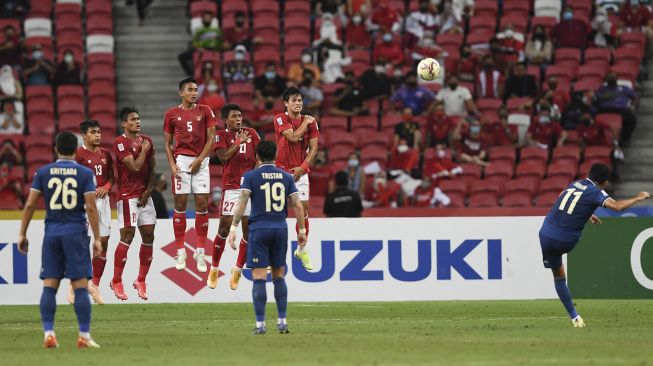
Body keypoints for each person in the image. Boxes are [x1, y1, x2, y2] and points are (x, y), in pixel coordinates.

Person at [538, 163, 650, 327]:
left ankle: (575, 317)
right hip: (566, 240)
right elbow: (616, 207)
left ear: (588, 174)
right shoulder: (595, 192)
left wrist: (588, 213)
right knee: (566, 249)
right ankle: (575, 318)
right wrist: (637, 198)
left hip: (545, 234)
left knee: (559, 277)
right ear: (604, 182)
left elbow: (563, 195)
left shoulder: (575, 183)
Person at [18, 131, 102, 348]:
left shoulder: (43, 172)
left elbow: (29, 205)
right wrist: (98, 238)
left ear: (56, 149)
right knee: (81, 287)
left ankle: (49, 333)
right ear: (76, 149)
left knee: (50, 286)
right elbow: (91, 207)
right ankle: (84, 335)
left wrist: (22, 233)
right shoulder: (84, 174)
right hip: (75, 234)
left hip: (52, 233)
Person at [227, 140, 307, 335]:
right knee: (279, 275)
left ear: (257, 156)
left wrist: (233, 227)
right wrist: (302, 231)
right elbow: (297, 205)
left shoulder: (250, 176)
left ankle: (260, 325)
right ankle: (282, 321)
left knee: (259, 277)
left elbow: (242, 202)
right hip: (280, 228)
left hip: (259, 230)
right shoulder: (286, 177)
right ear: (277, 154)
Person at [164, 77, 217, 273]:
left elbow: (212, 138)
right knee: (180, 204)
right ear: (181, 92)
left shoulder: (205, 110)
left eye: (196, 89)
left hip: (201, 161)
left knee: (202, 204)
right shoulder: (171, 114)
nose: (194, 92)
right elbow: (168, 143)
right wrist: (171, 164)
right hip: (181, 161)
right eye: (190, 89)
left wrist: (200, 159)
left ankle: (200, 251)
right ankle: (180, 251)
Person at [208, 104, 260, 290]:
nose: (239, 119)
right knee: (224, 228)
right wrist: (238, 143)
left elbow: (260, 156)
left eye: (240, 115)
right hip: (231, 188)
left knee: (248, 232)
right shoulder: (221, 135)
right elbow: (222, 157)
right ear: (226, 119)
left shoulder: (252, 133)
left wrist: (256, 175)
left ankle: (237, 270)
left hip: (249, 188)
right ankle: (214, 268)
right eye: (234, 116)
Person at [110, 106, 156, 301]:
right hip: (128, 195)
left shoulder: (148, 140)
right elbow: (135, 167)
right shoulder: (120, 143)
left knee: (149, 235)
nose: (137, 122)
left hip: (145, 196)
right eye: (132, 119)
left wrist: (149, 190)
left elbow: (152, 169)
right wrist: (144, 150)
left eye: (138, 118)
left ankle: (141, 280)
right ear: (124, 123)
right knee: (127, 237)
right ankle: (116, 280)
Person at [274, 87, 319, 270]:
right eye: (294, 100)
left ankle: (302, 248)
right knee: (276, 213)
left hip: (300, 172)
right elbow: (292, 137)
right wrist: (306, 122)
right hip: (280, 171)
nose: (298, 103)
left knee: (304, 210)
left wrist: (303, 167)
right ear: (286, 103)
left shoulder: (312, 122)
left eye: (300, 100)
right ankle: (273, 254)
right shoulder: (280, 118)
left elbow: (314, 148)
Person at [72, 120, 114, 305]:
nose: (98, 135)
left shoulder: (105, 154)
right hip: (85, 202)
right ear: (84, 135)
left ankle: (94, 285)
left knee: (103, 242)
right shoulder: (78, 155)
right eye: (93, 132)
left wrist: (106, 186)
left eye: (99, 132)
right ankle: (74, 287)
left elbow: (111, 178)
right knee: (84, 244)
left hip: (103, 203)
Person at [593, 72, 638, 146]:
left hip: (620, 109)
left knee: (631, 118)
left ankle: (625, 139)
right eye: (609, 77)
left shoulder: (623, 88)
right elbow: (597, 98)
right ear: (606, 79)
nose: (611, 78)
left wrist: (633, 106)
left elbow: (636, 97)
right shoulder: (601, 89)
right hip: (604, 109)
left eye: (613, 76)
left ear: (617, 78)